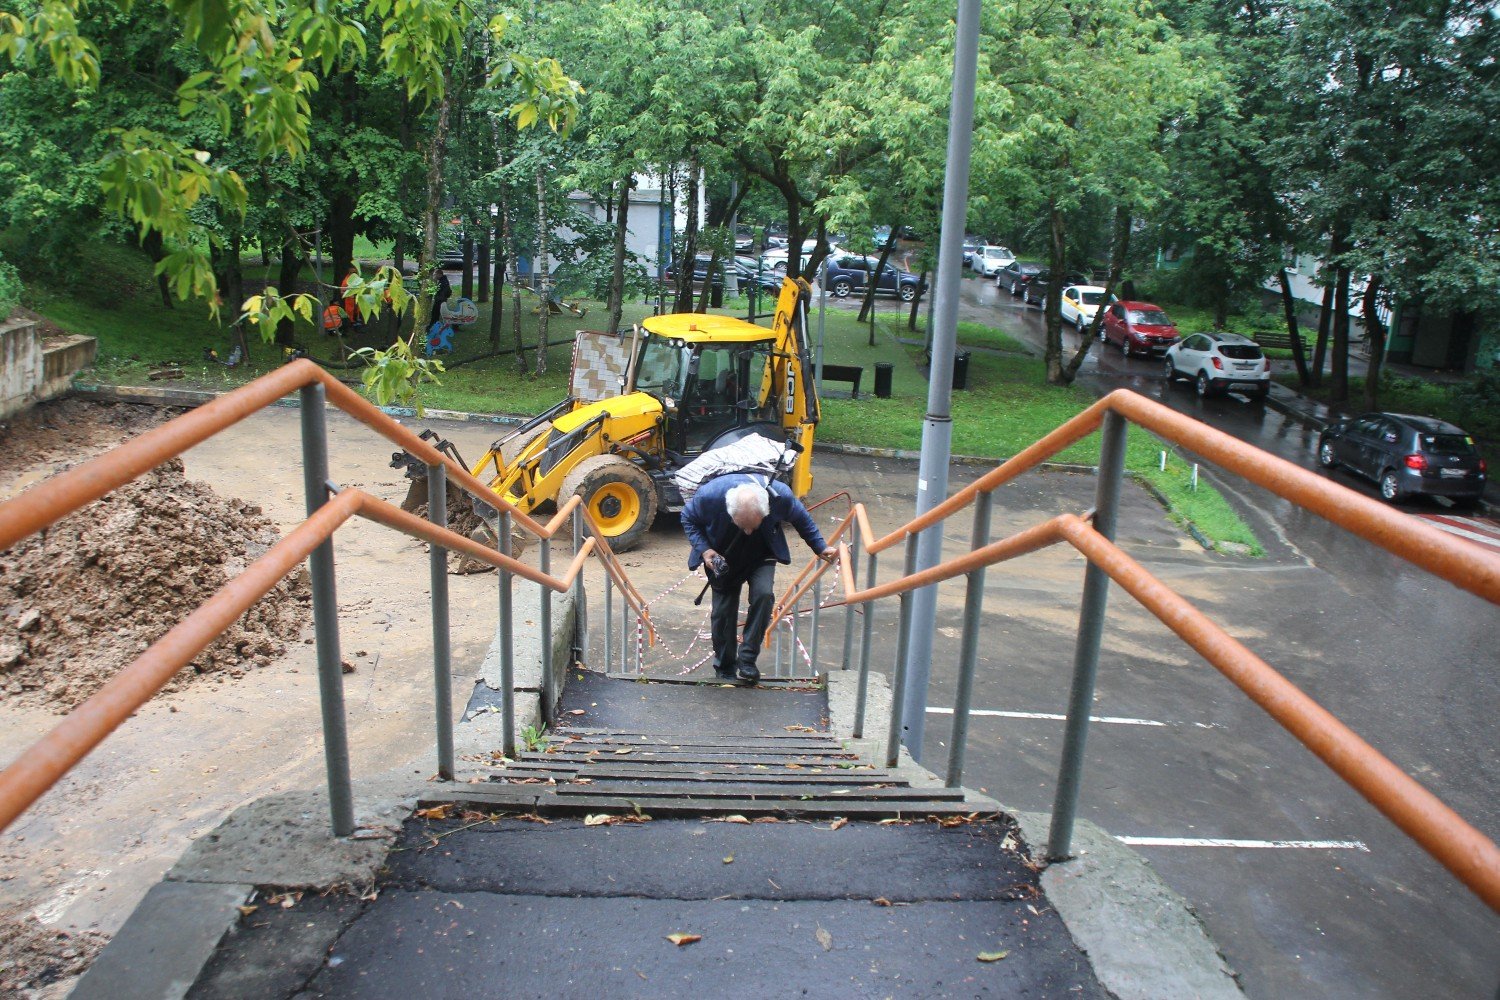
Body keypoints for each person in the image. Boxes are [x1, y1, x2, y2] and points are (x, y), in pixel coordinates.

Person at [681, 475, 836, 685]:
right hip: (722, 552)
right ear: (729, 510)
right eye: (743, 525)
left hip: (761, 553)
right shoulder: (709, 496)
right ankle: (725, 668)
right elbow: (687, 519)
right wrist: (705, 551)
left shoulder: (780, 496)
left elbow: (801, 518)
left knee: (764, 595)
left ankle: (747, 660)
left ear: (767, 510)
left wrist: (821, 547)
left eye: (753, 525)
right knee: (723, 611)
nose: (748, 531)